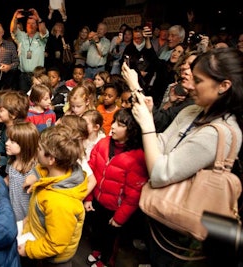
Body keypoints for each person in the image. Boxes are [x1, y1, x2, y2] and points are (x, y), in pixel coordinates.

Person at [121, 47, 243, 266]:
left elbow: (159, 173)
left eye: (198, 81)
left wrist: (147, 125)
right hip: (161, 211)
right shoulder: (191, 111)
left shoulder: (220, 133)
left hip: (185, 223)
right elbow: (159, 144)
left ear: (224, 86)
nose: (190, 86)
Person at [85, 108, 149, 267]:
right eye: (114, 122)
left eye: (120, 124)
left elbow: (134, 194)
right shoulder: (103, 143)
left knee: (112, 238)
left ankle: (106, 261)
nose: (112, 126)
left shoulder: (138, 157)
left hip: (115, 208)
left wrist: (120, 217)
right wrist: (88, 197)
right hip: (98, 201)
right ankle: (98, 250)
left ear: (132, 130)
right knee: (98, 231)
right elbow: (90, 171)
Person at [17, 124, 88, 266]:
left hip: (52, 259)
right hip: (38, 238)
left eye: (39, 149)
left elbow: (55, 244)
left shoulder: (60, 203)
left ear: (51, 160)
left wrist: (28, 250)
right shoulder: (57, 173)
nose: (36, 151)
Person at [5, 121, 39, 222]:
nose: (7, 143)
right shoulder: (12, 161)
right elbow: (8, 179)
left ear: (25, 144)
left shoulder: (34, 169)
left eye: (12, 141)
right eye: (8, 139)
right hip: (13, 213)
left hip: (27, 218)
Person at [10, 8, 49, 94]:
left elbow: (44, 31)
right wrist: (15, 17)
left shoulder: (41, 37)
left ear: (37, 25)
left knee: (37, 97)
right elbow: (13, 30)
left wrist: (38, 18)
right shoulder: (22, 36)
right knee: (24, 98)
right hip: (23, 75)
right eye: (28, 23)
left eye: (33, 23)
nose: (30, 25)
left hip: (38, 75)